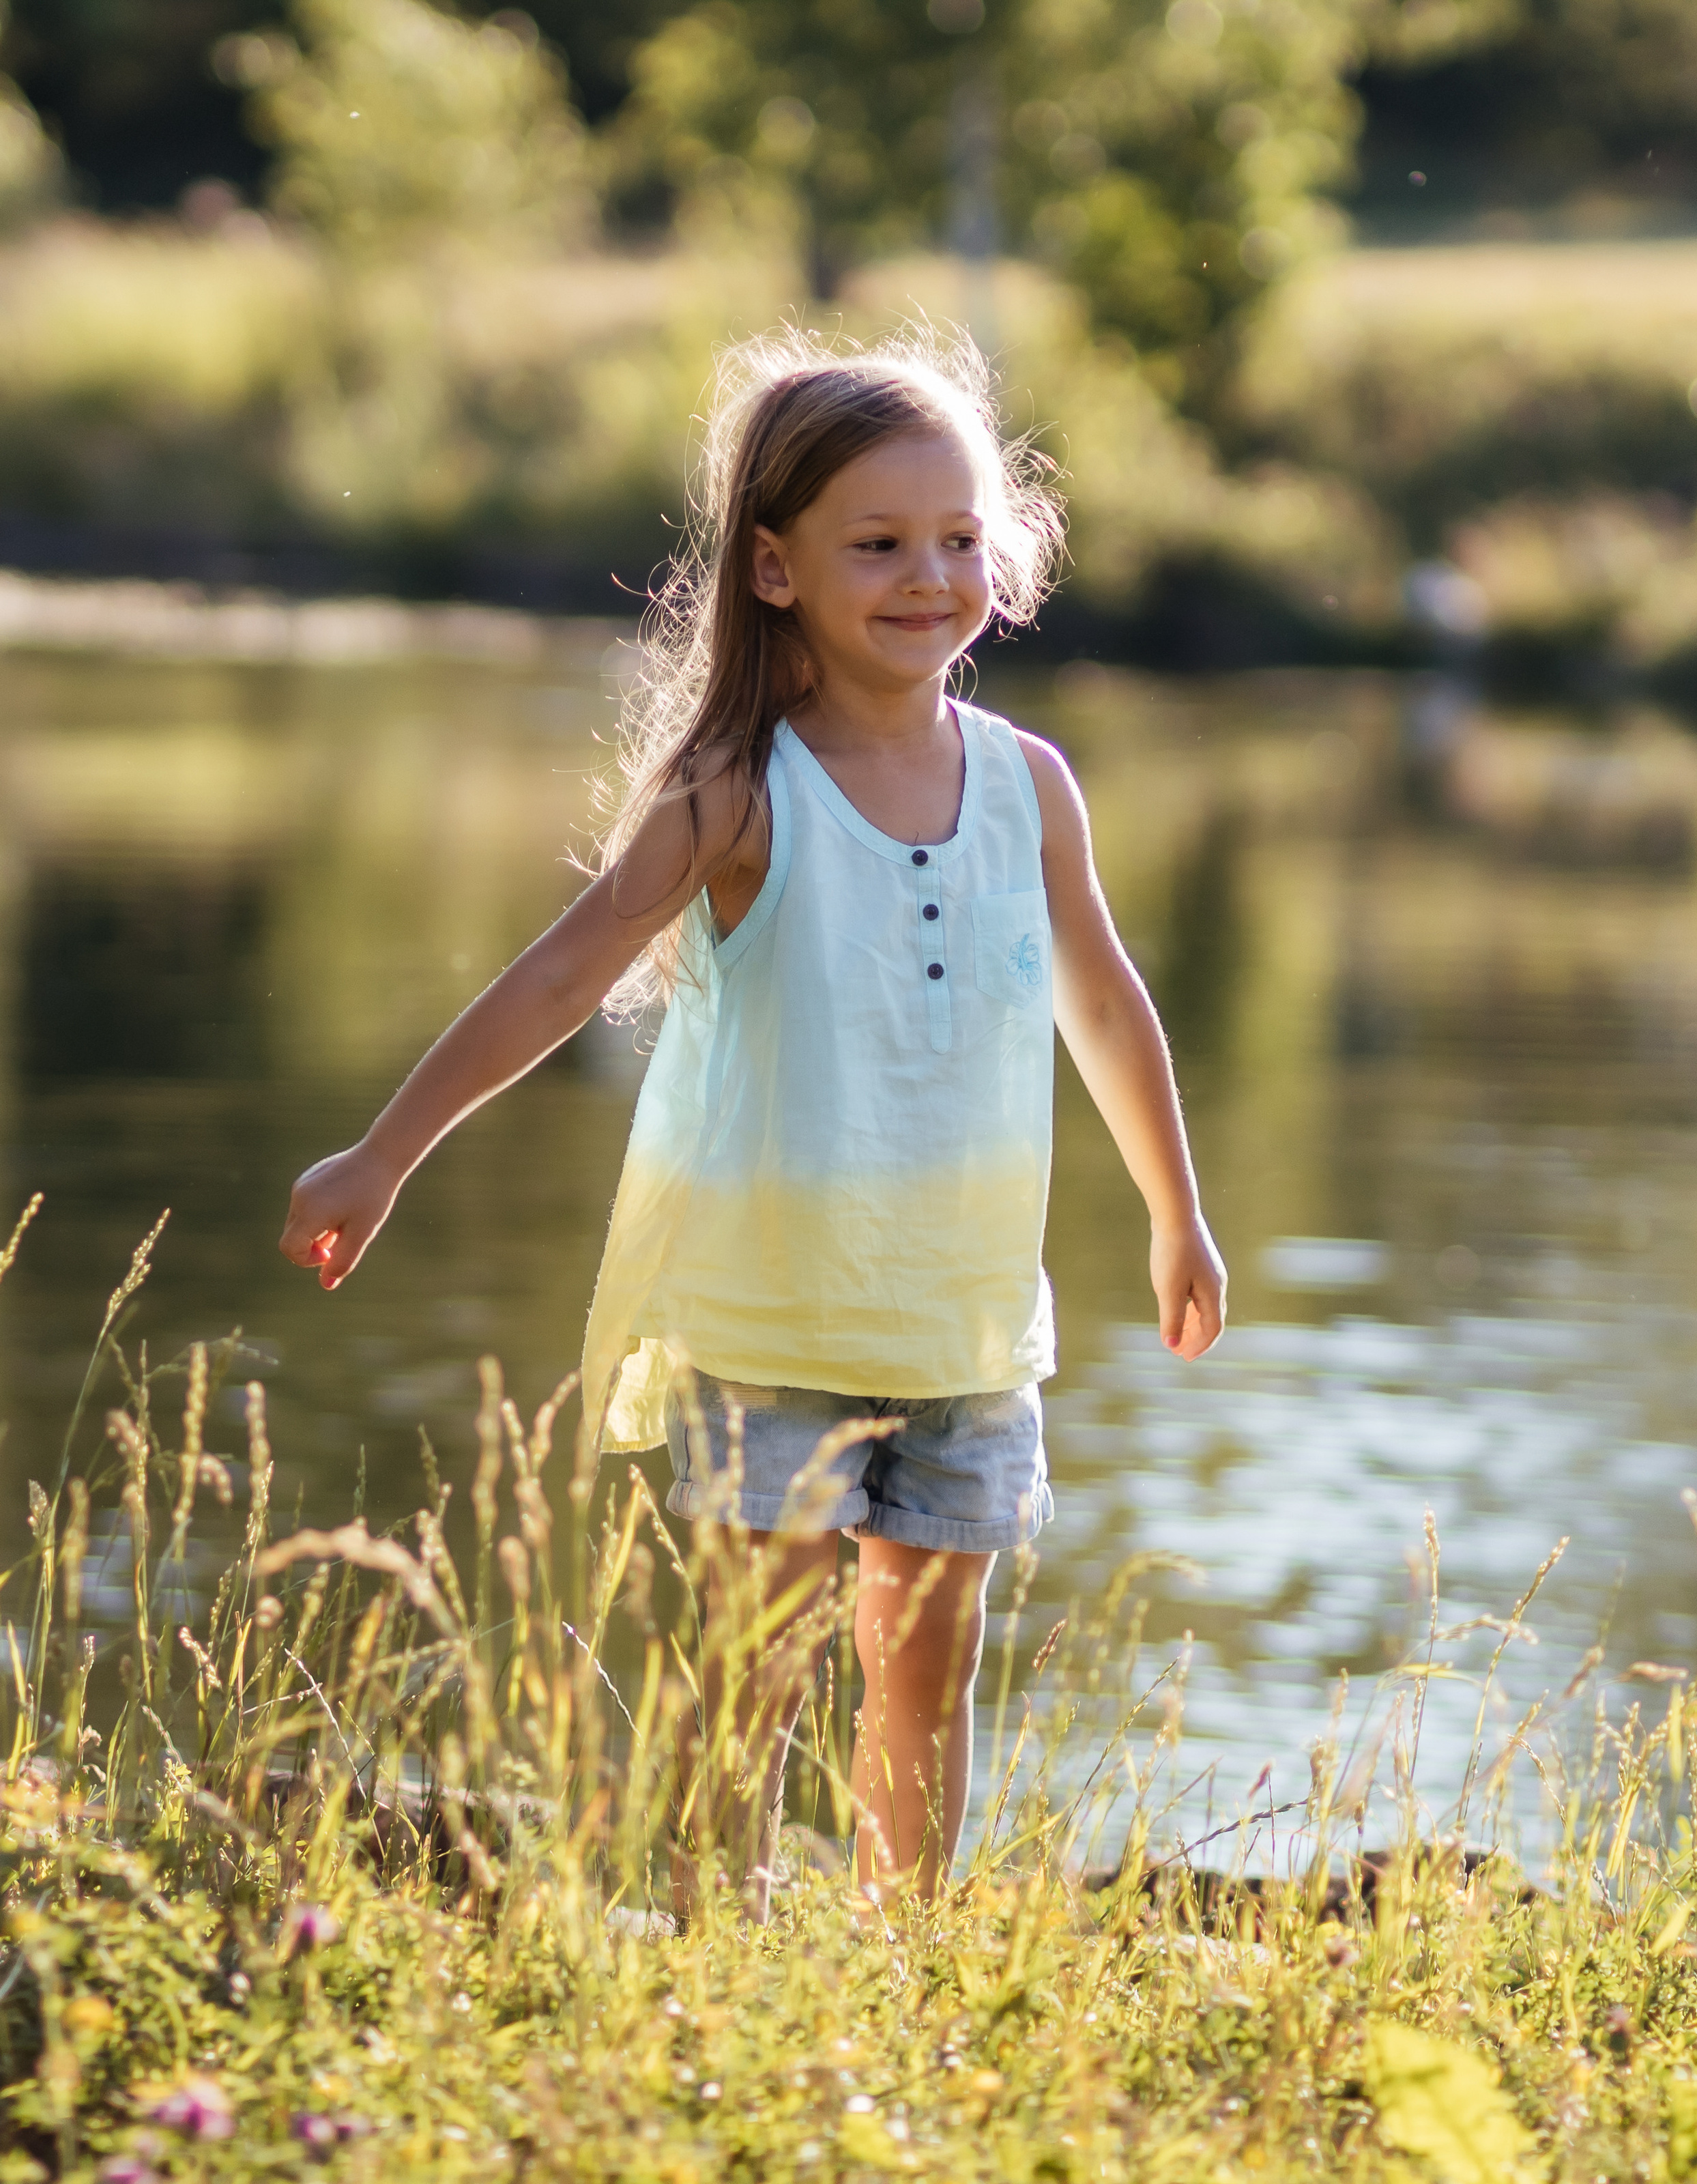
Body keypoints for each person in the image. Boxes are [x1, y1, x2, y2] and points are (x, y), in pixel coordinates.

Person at [279, 326, 1227, 1914]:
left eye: (956, 538)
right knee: (755, 1662)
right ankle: (708, 1936)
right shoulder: (734, 788)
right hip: (770, 1307)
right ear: (775, 569)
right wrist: (383, 1150)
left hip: (965, 1318)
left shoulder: (1029, 785)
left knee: (928, 1661)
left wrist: (1174, 1210)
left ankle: (901, 1945)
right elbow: (561, 976)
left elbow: (1109, 1003)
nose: (928, 574)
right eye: (877, 544)